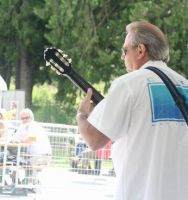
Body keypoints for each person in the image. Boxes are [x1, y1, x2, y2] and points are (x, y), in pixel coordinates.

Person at [77, 21, 188, 200]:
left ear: (141, 50)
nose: (122, 57)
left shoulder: (128, 84)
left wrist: (81, 115)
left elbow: (94, 140)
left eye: (125, 50)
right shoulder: (185, 85)